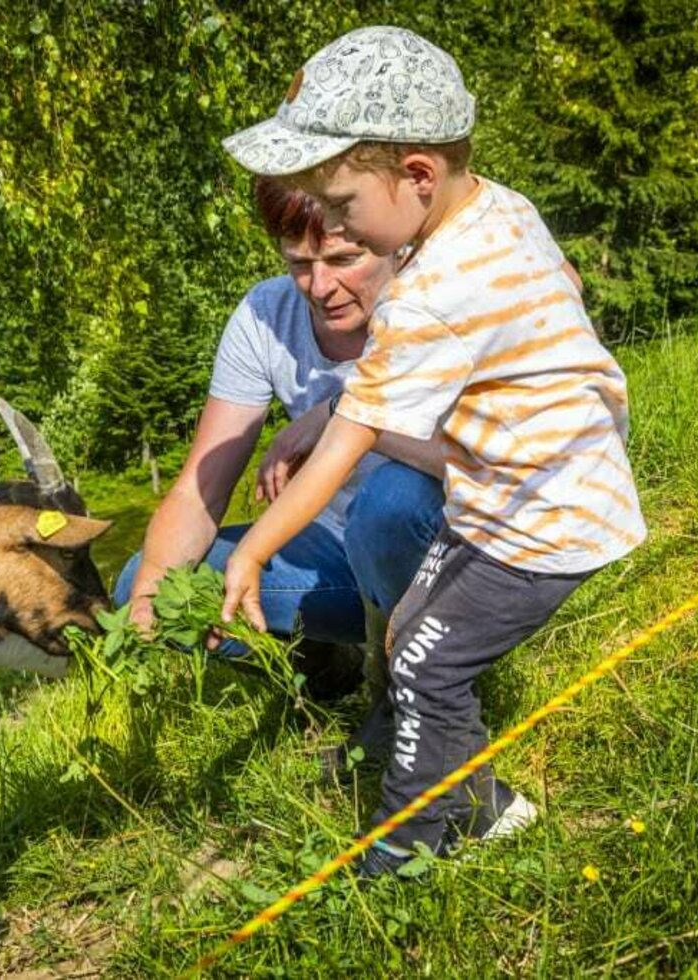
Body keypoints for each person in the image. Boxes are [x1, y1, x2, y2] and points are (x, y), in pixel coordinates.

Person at [219, 26, 646, 877]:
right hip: (536, 485)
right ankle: (490, 809)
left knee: (423, 659)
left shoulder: (428, 297)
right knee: (412, 637)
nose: (333, 224)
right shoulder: (497, 206)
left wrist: (255, 549)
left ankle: (400, 854)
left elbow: (347, 443)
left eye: (340, 208)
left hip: (545, 519)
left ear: (417, 176)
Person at [113, 176, 445, 698]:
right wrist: (146, 598)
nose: (319, 287)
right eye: (299, 263)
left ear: (390, 240)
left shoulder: (437, 296)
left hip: (446, 555)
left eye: (341, 260)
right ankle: (327, 672)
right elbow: (201, 492)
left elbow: (476, 459)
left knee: (389, 503)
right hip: (335, 559)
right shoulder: (265, 316)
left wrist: (341, 412)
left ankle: (415, 688)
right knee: (149, 584)